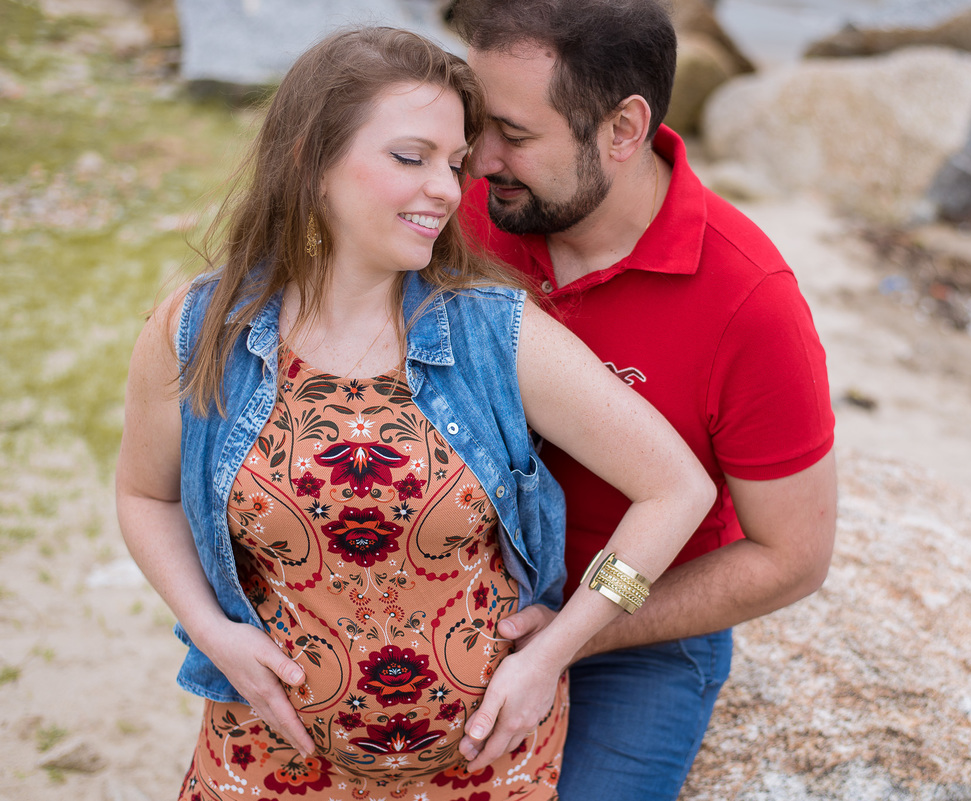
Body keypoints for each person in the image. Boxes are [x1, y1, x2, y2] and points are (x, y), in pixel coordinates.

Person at [115, 27, 715, 800]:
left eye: (454, 163)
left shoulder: (496, 331)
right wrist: (210, 631)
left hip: (488, 773)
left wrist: (559, 647)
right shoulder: (199, 328)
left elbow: (678, 489)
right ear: (310, 159)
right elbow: (146, 495)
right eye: (411, 157)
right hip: (264, 764)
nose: (448, 188)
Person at [446, 1, 839, 798]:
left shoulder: (750, 302)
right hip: (451, 584)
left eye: (514, 134)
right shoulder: (458, 212)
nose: (479, 159)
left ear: (623, 129)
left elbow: (793, 556)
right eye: (475, 123)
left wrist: (578, 633)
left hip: (637, 627)